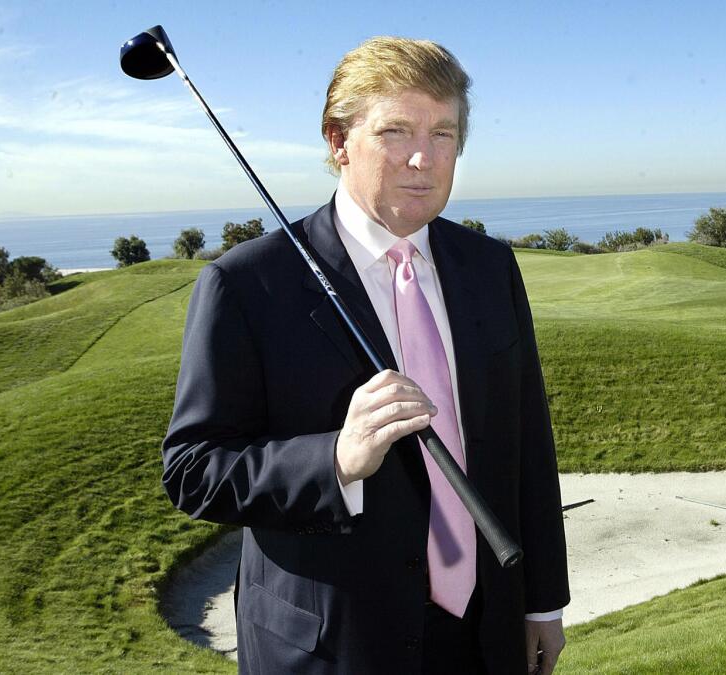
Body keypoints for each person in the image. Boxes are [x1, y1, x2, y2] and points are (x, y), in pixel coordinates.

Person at [161, 37, 569, 674]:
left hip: (486, 633)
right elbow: (193, 468)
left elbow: (526, 446)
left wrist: (542, 601)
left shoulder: (490, 267)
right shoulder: (247, 284)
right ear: (337, 140)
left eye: (443, 133)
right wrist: (335, 459)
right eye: (395, 130)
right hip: (333, 646)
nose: (421, 158)